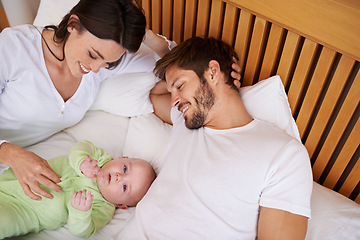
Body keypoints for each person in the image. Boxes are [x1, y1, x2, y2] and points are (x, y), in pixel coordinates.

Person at [134, 37, 313, 239]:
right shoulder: (187, 120)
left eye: (180, 86)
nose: (174, 100)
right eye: (171, 91)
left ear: (213, 71)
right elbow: (148, 95)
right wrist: (149, 38)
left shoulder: (284, 154)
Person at [0, 0, 171, 201]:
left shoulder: (102, 63)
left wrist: (145, 36)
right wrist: (10, 153)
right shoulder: (15, 47)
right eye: (93, 55)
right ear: (73, 24)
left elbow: (173, 66)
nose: (96, 68)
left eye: (108, 62)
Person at [0, 140, 156, 238]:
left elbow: (82, 231)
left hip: (23, 213)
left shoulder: (103, 208)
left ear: (121, 205)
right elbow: (81, 146)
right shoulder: (99, 159)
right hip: (16, 177)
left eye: (124, 187)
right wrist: (82, 162)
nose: (118, 177)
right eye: (124, 169)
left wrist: (80, 212)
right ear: (123, 159)